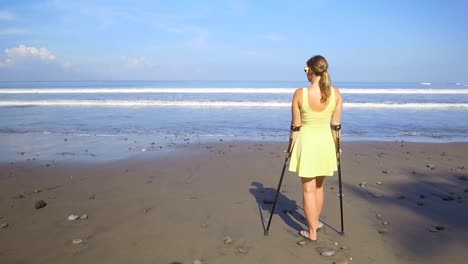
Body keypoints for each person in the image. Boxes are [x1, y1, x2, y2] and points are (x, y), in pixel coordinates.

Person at [288, 55, 343, 241]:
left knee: (308, 189)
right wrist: (337, 147)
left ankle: (311, 232)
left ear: (311, 71)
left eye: (306, 70)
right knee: (319, 187)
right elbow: (336, 126)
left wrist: (290, 147)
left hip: (308, 143)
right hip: (326, 143)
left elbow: (296, 126)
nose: (306, 73)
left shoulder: (300, 93)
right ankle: (316, 222)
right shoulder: (335, 93)